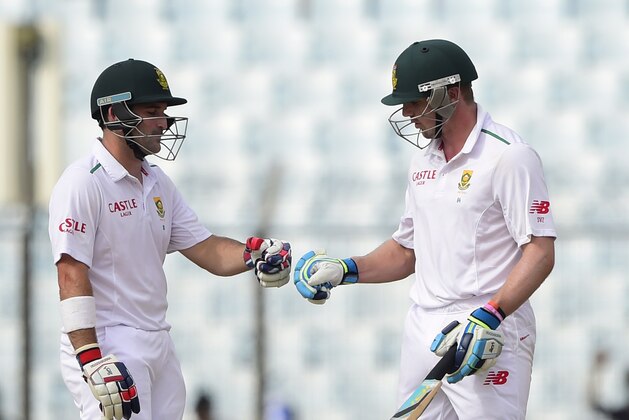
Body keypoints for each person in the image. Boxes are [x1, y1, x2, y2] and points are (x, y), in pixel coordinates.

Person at [293, 39, 556, 419]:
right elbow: (406, 251)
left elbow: (540, 251)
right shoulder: (423, 161)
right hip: (424, 327)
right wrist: (346, 269)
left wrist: (493, 313)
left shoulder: (509, 156)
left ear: (450, 93)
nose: (407, 113)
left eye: (414, 102)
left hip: (485, 330)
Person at [48, 58, 292, 420]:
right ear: (114, 114)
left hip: (158, 340)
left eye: (163, 111)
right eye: (152, 111)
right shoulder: (83, 181)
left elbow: (208, 249)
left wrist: (254, 254)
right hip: (109, 344)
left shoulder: (157, 182)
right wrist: (91, 359)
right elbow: (70, 273)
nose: (164, 122)